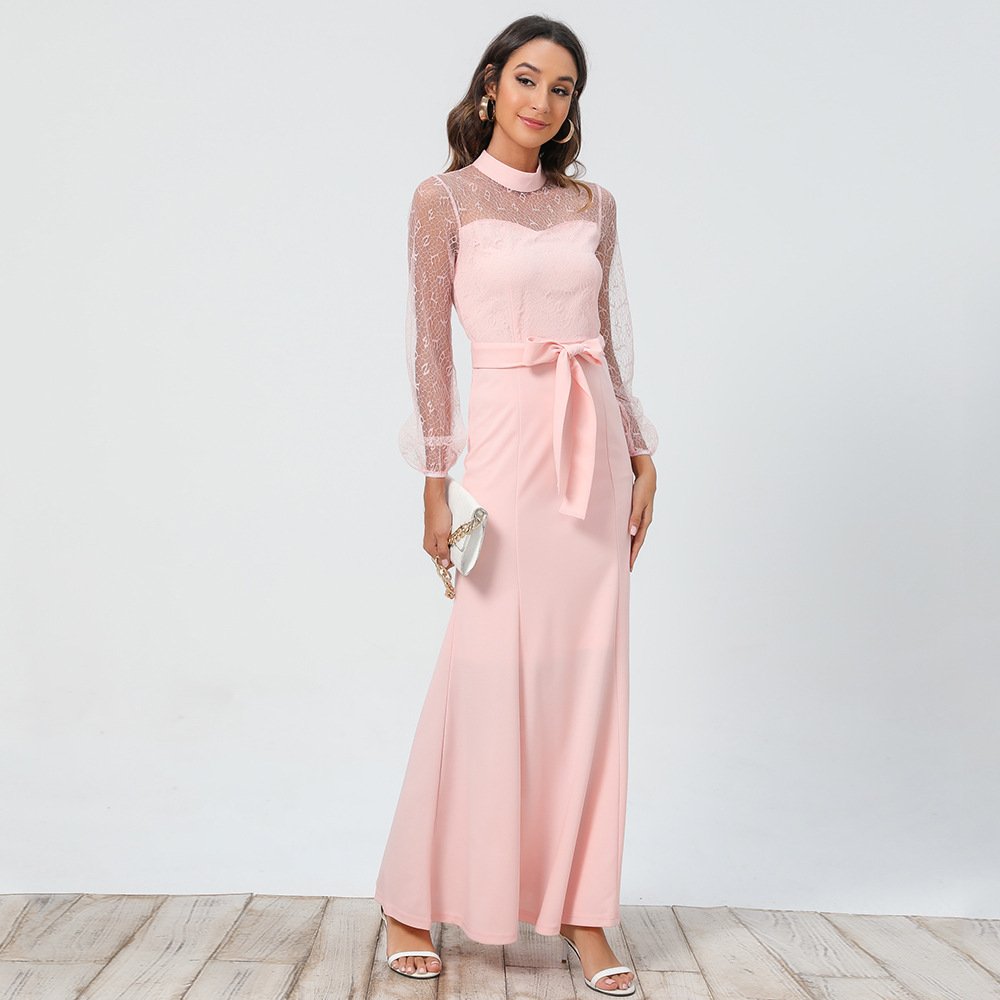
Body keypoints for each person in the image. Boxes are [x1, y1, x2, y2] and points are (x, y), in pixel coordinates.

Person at [374, 14, 657, 996]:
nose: (542, 100)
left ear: (572, 107)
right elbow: (429, 352)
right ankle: (413, 895)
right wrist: (435, 482)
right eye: (527, 78)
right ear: (491, 84)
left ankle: (584, 910)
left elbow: (609, 340)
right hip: (501, 453)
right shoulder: (442, 198)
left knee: (590, 679)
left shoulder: (593, 203)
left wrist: (640, 449)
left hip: (593, 453)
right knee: (484, 671)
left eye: (562, 87)